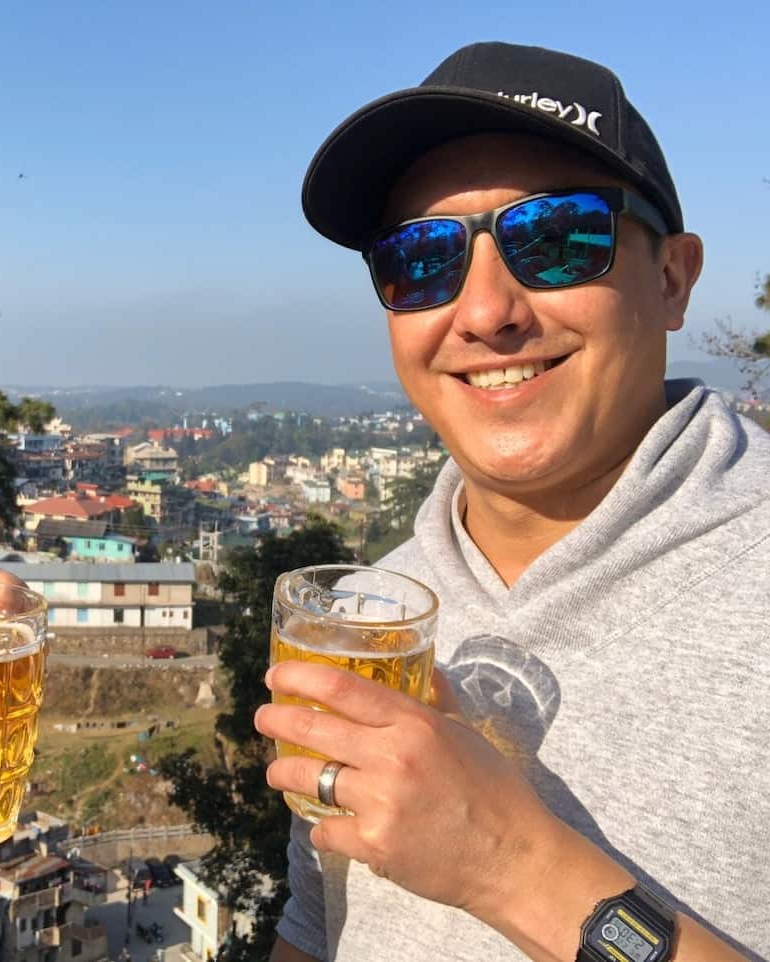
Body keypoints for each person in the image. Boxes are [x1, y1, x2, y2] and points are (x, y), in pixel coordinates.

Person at [253, 42, 770, 962]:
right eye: (421, 259)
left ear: (672, 278)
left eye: (558, 237)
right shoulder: (367, 619)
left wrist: (510, 867)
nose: (487, 312)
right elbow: (317, 929)